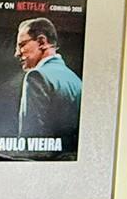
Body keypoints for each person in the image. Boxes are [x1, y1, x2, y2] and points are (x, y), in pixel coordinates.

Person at [14, 17, 82, 151]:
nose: (17, 53)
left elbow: (30, 143)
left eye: (22, 45)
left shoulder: (36, 76)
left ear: (42, 42)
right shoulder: (76, 80)